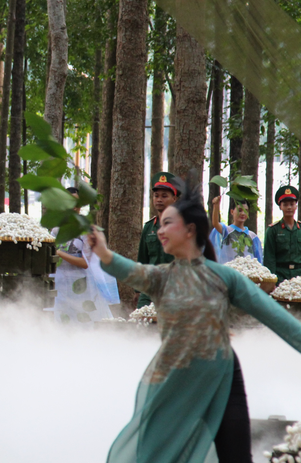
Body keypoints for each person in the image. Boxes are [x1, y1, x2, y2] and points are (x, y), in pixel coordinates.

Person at [88, 180, 301, 463]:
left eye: (167, 224)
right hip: (175, 378)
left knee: (235, 456)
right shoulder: (161, 277)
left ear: (190, 230)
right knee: (157, 455)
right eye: (160, 225)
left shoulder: (225, 278)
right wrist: (103, 253)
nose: (160, 231)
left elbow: (276, 318)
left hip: (222, 377)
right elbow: (130, 269)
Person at [51, 188, 118, 324]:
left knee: (83, 319)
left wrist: (59, 253)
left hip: (82, 285)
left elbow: (85, 262)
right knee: (62, 320)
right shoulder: (56, 229)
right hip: (61, 284)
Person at [135, 172, 180, 309]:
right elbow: (142, 259)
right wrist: (137, 290)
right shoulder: (149, 227)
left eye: (164, 196)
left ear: (174, 199)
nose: (159, 199)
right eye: (156, 196)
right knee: (141, 322)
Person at [264, 185, 301, 284]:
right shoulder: (273, 230)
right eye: (285, 204)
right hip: (280, 276)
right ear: (280, 207)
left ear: (296, 206)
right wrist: (272, 281)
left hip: (299, 275)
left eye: (291, 204)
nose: (289, 207)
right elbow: (269, 259)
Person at [210, 196, 262, 264]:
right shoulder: (227, 231)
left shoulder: (252, 236)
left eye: (246, 211)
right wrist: (216, 206)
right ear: (232, 211)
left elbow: (258, 259)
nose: (243, 213)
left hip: (247, 273)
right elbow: (215, 223)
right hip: (229, 272)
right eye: (240, 210)